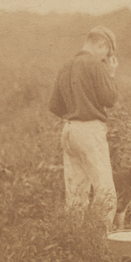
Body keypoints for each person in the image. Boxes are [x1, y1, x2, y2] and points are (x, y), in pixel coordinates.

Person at [48, 25, 119, 229]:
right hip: (90, 132)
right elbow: (110, 99)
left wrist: (75, 113)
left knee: (75, 196)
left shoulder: (67, 65)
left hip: (69, 130)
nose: (107, 57)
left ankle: (75, 243)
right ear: (102, 44)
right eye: (108, 52)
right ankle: (100, 243)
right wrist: (111, 74)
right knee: (106, 193)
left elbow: (53, 105)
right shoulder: (95, 65)